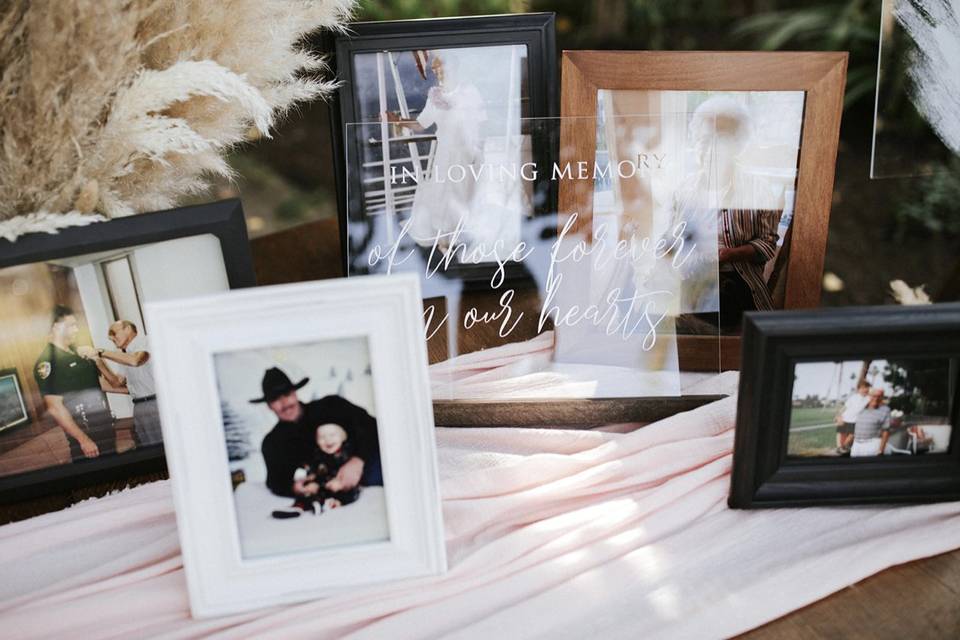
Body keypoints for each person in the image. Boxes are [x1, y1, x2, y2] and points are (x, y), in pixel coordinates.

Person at [253, 367, 381, 498]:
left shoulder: (331, 406)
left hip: (371, 469)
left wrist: (358, 461)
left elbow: (372, 426)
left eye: (287, 394)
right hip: (332, 491)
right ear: (269, 405)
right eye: (276, 399)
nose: (284, 403)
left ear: (295, 393)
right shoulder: (272, 443)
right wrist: (294, 488)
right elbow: (276, 481)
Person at [34, 305, 118, 461]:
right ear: (56, 327)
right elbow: (55, 408)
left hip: (105, 428)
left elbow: (97, 384)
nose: (76, 330)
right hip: (88, 436)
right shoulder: (48, 362)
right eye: (71, 325)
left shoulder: (78, 352)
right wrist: (83, 440)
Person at [272, 423, 361, 519]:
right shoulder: (318, 454)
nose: (327, 440)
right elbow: (314, 467)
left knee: (347, 492)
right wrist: (310, 478)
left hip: (340, 483)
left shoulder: (346, 453)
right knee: (309, 490)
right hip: (323, 482)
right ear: (317, 441)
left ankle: (332, 503)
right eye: (322, 437)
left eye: (332, 435)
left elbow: (348, 473)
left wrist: (340, 483)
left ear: (343, 437)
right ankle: (298, 507)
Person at [97, 320, 162, 446]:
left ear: (127, 329)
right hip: (139, 407)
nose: (111, 337)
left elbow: (136, 361)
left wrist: (101, 352)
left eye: (113, 333)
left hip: (156, 403)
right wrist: (99, 362)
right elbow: (116, 383)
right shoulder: (126, 355)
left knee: (164, 449)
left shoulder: (146, 341)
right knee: (150, 450)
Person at [850, 388, 892, 457]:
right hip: (856, 445)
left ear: (882, 398)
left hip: (872, 445)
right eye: (874, 396)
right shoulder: (860, 407)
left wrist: (881, 450)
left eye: (879, 396)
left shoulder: (885, 410)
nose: (876, 399)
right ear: (868, 396)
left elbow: (886, 432)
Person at [834, 380, 871, 454]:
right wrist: (839, 415)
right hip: (845, 417)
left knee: (852, 434)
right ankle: (838, 447)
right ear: (858, 389)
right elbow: (845, 407)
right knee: (840, 432)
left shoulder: (868, 398)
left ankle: (844, 446)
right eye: (862, 388)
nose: (864, 390)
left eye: (866, 388)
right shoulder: (853, 397)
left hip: (855, 420)